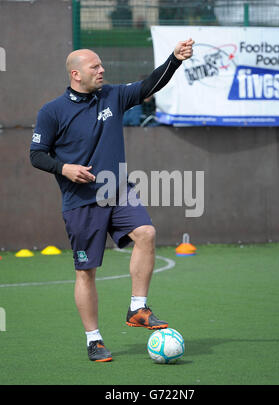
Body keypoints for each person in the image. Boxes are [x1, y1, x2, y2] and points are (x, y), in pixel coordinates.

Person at [30, 39, 194, 362]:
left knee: (146, 233)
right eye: (95, 67)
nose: (102, 70)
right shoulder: (51, 112)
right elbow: (36, 154)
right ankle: (94, 340)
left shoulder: (114, 96)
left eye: (102, 65)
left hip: (116, 190)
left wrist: (174, 60)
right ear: (76, 74)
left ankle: (137, 308)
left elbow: (150, 84)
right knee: (86, 272)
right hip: (79, 202)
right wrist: (64, 168)